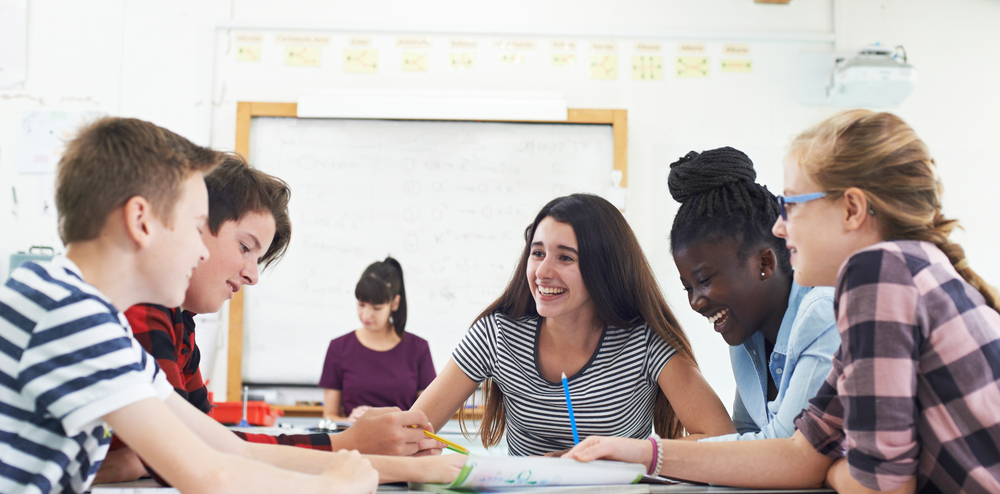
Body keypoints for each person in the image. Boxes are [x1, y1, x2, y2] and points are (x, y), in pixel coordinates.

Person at [564, 111, 1000, 493]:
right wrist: (640, 454)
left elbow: (876, 488)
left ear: (851, 210)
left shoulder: (878, 274)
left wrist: (833, 471)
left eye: (791, 206)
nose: (781, 227)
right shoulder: (898, 276)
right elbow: (800, 455)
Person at [0, 117, 384, 494]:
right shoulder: (70, 313)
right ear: (141, 221)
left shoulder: (92, 317)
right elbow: (210, 477)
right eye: (194, 226)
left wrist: (350, 469)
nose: (200, 249)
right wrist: (336, 486)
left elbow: (226, 449)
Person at [94, 153, 450, 486]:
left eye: (258, 259)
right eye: (245, 248)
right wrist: (355, 458)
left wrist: (354, 447)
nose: (252, 276)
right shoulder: (138, 307)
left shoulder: (178, 322)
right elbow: (200, 458)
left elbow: (218, 446)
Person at [412, 193, 735, 456]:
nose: (542, 272)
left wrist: (619, 455)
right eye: (537, 253)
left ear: (604, 268)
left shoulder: (644, 341)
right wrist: (418, 447)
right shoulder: (497, 335)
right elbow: (413, 431)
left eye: (565, 258)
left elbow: (721, 439)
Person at [667, 146, 838, 441]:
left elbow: (785, 447)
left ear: (764, 263)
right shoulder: (746, 337)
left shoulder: (824, 313)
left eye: (704, 279)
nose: (695, 302)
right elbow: (746, 433)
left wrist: (652, 454)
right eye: (688, 287)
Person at [320, 258, 436, 422]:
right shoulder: (338, 347)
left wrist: (394, 420)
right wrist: (349, 421)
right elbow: (329, 416)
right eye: (361, 305)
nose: (366, 315)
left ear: (394, 303)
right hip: (354, 444)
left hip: (404, 443)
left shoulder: (418, 348)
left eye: (376, 308)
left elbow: (428, 416)